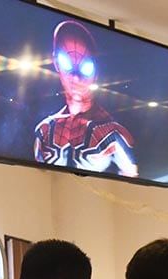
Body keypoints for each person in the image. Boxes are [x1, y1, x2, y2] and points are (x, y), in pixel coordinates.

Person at [34, 20, 138, 177]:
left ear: (95, 73)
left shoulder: (114, 134)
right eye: (67, 63)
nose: (76, 78)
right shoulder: (44, 130)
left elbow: (133, 184)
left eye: (85, 68)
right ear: (56, 63)